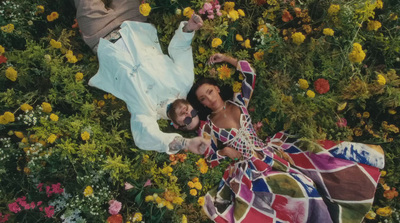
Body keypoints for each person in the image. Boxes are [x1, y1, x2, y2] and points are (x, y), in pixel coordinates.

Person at [187, 53, 385, 223]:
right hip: (250, 169)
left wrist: (226, 59)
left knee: (312, 181)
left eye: (210, 91)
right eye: (203, 98)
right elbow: (209, 157)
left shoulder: (238, 101)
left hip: (271, 153)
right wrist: (224, 151)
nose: (210, 98)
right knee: (297, 194)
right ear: (202, 103)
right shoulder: (209, 126)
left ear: (217, 88)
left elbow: (250, 75)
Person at [75, 0, 209, 155]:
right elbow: (180, 48)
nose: (188, 114)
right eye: (193, 114)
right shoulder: (184, 81)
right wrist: (188, 29)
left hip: (100, 34)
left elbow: (144, 137)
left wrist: (185, 143)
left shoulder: (146, 112)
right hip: (132, 19)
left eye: (186, 121)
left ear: (176, 126)